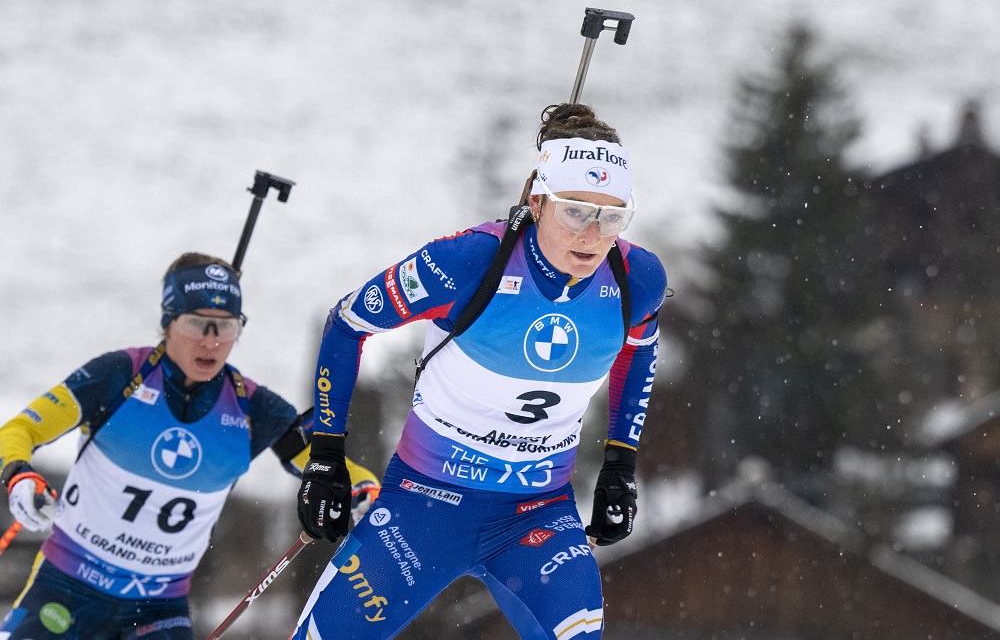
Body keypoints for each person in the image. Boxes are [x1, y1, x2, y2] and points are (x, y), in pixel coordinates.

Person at [291, 103, 667, 639]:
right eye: (576, 211)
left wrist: (619, 464)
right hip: (425, 506)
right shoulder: (466, 263)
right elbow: (348, 322)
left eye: (612, 216)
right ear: (537, 201)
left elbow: (638, 350)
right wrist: (327, 456)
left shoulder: (638, 278)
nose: (592, 234)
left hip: (537, 513)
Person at [0, 252, 380, 640]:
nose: (212, 341)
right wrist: (18, 473)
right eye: (197, 323)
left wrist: (362, 490)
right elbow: (19, 430)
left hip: (157, 608)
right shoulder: (117, 375)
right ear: (168, 322)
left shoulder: (254, 407)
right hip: (67, 583)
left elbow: (328, 467)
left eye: (226, 326)